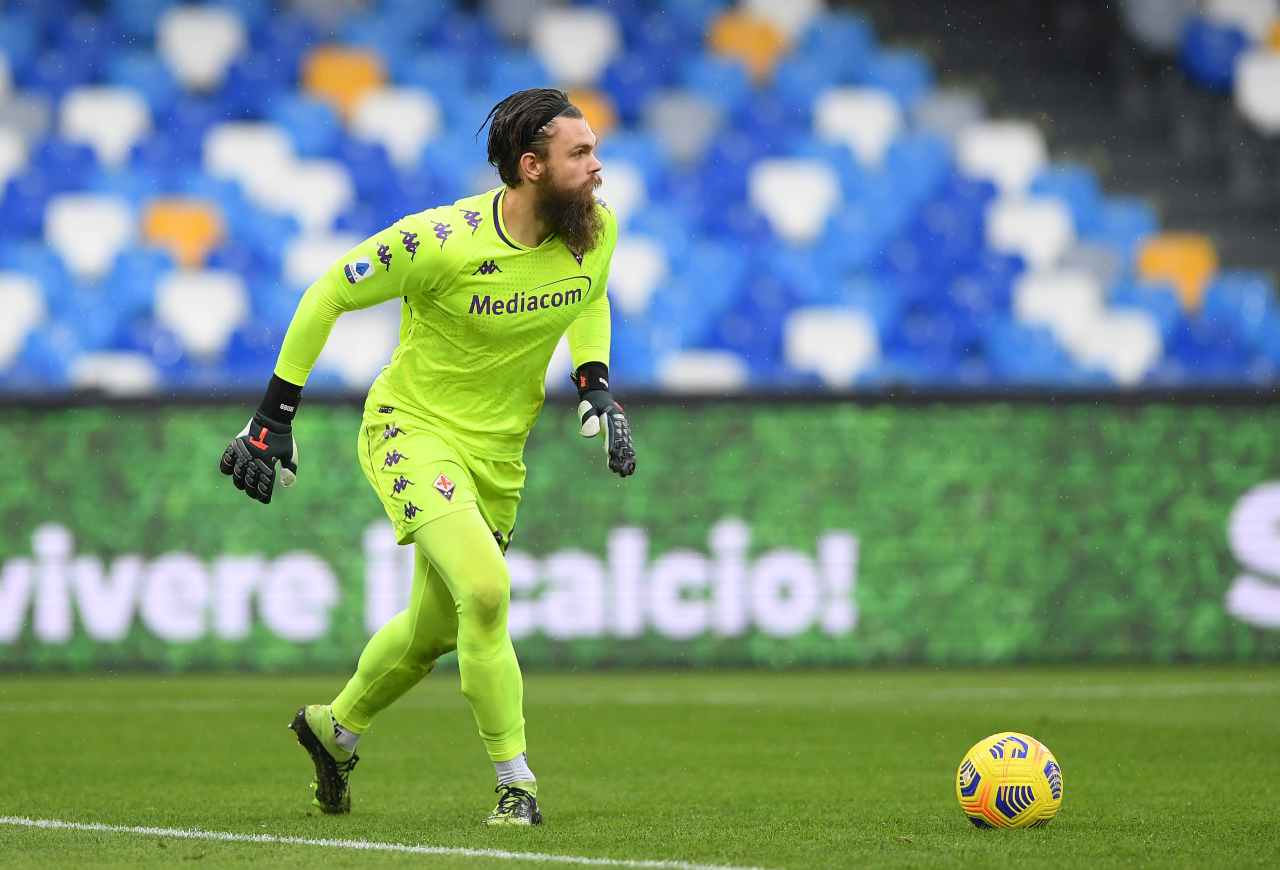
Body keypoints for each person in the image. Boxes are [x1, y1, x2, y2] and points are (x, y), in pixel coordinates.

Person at [218, 88, 636, 827]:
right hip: (410, 431)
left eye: (595, 149)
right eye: (581, 154)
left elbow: (591, 296)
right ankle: (517, 786)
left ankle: (333, 729)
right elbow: (326, 295)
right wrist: (272, 417)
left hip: (499, 455)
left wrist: (595, 382)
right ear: (531, 166)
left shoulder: (593, 230)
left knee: (434, 632)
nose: (598, 166)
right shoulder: (439, 240)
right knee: (485, 591)